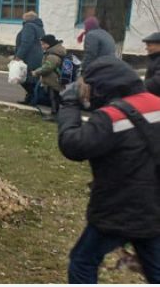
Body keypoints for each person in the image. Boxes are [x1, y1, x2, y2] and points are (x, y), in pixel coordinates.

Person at [56, 56, 160, 283]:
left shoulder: (111, 118)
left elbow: (73, 145)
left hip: (119, 209)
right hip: (154, 209)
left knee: (83, 261)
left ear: (102, 86)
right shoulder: (156, 103)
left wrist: (69, 104)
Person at [32, 34, 67, 120]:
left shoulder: (53, 55)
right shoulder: (53, 52)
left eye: (44, 44)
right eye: (42, 44)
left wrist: (36, 72)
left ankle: (55, 114)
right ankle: (55, 113)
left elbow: (47, 67)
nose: (42, 46)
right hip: (54, 79)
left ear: (50, 43)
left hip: (54, 80)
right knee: (54, 97)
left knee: (54, 97)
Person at [14, 11, 45, 105]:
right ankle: (31, 98)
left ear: (27, 19)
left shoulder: (29, 26)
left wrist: (18, 56)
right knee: (31, 78)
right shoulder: (40, 27)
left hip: (29, 56)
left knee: (22, 77)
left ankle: (33, 98)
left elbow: (26, 43)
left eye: (23, 19)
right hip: (38, 56)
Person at [144, 32, 160, 96]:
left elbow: (157, 82)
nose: (146, 48)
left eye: (149, 45)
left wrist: (138, 87)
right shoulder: (155, 59)